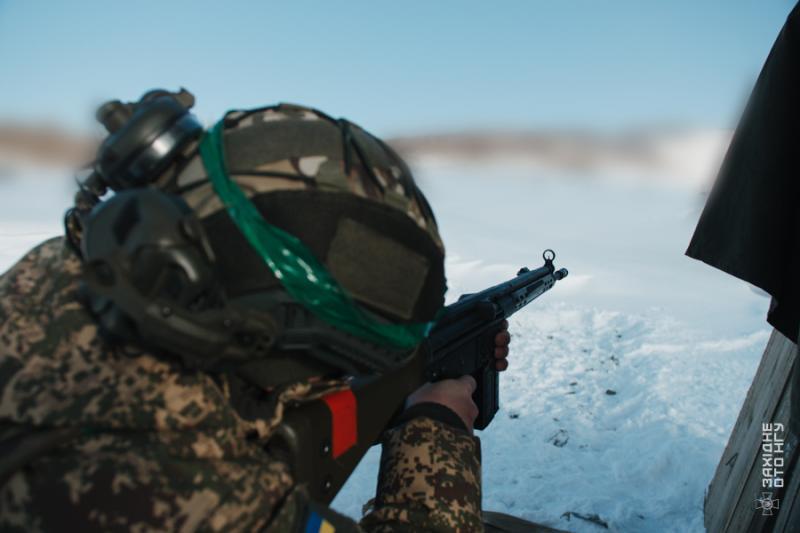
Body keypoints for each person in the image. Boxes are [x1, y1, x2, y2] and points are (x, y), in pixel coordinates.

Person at [0, 90, 511, 532]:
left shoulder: (64, 270)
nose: (333, 377)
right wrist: (436, 424)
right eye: (332, 363)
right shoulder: (189, 495)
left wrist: (402, 382)